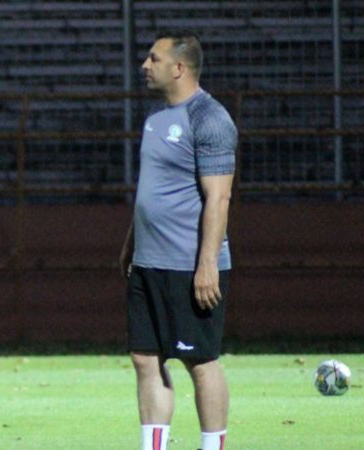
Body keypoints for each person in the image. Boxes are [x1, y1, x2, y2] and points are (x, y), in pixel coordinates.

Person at [119, 31, 237, 450]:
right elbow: (153, 190)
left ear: (179, 68)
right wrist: (132, 244)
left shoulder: (210, 118)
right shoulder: (155, 120)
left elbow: (218, 197)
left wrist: (207, 264)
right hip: (149, 262)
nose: (145, 66)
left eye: (153, 59)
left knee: (200, 361)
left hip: (188, 265)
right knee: (145, 358)